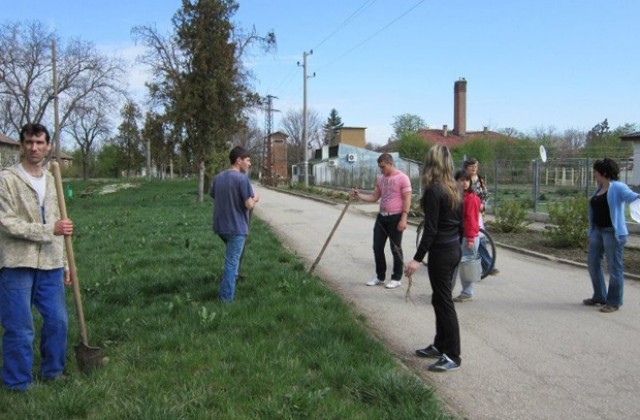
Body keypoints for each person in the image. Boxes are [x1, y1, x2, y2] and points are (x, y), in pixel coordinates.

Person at [0, 123, 73, 391]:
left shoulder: (53, 179)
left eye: (40, 143)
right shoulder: (6, 179)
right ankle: (18, 382)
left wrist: (65, 262)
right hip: (17, 262)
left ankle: (53, 371)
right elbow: (6, 222)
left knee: (58, 321)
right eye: (29, 142)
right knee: (20, 327)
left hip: (51, 262)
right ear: (21, 145)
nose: (34, 148)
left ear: (48, 146)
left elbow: (59, 223)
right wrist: (47, 230)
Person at [405, 145, 463, 372]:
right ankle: (440, 345)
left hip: (441, 253)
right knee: (439, 299)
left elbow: (430, 230)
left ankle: (453, 355)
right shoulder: (456, 188)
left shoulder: (434, 191)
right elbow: (462, 226)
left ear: (432, 164)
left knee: (444, 302)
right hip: (452, 250)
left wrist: (417, 259)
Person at [583, 158, 640, 313]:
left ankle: (614, 302)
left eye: (596, 171)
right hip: (597, 232)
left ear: (604, 173)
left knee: (614, 268)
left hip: (613, 234)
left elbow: (633, 197)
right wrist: (590, 233)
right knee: (593, 264)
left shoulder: (618, 187)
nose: (594, 174)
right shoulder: (599, 188)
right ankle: (599, 296)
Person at [351, 153, 412, 289]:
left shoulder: (403, 178)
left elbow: (407, 198)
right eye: (379, 167)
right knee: (377, 247)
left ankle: (396, 278)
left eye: (383, 167)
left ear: (390, 163)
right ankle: (380, 276)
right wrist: (359, 195)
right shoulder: (380, 179)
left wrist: (404, 218)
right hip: (381, 217)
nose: (381, 169)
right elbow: (374, 197)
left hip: (396, 217)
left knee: (395, 248)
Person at [210, 146, 259, 303]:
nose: (249, 164)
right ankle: (226, 299)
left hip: (220, 227)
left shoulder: (218, 177)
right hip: (236, 228)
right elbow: (249, 205)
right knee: (231, 262)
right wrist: (255, 198)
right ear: (238, 161)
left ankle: (232, 280)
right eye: (247, 161)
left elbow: (213, 195)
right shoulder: (242, 179)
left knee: (233, 259)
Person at [464, 158, 499, 275]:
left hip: (477, 213)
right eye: (471, 166)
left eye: (475, 166)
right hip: (466, 212)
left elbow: (485, 195)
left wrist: (483, 205)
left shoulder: (480, 180)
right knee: (476, 239)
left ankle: (486, 265)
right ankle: (486, 265)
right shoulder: (463, 179)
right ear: (466, 167)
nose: (474, 168)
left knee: (480, 239)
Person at [452, 170, 481, 302]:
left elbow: (472, 220)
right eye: (461, 180)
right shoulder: (457, 197)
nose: (464, 183)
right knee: (454, 264)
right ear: (456, 181)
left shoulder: (472, 198)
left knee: (466, 265)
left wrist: (469, 238)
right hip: (459, 234)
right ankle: (447, 290)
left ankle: (467, 292)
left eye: (467, 180)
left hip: (469, 236)